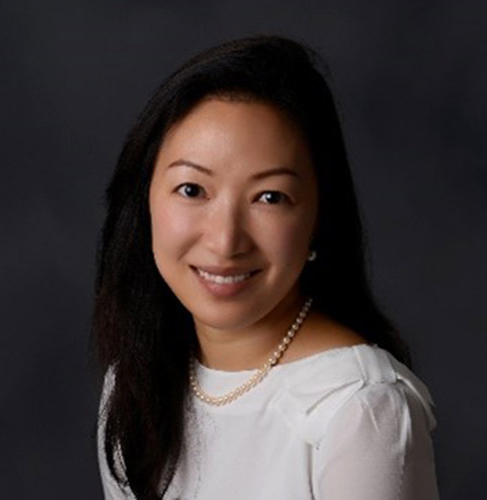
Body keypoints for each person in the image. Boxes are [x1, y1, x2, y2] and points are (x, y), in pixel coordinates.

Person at [92, 34, 440, 500]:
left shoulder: (360, 410)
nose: (225, 241)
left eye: (270, 197)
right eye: (192, 190)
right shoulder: (134, 382)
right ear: (145, 201)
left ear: (319, 218)